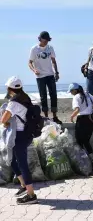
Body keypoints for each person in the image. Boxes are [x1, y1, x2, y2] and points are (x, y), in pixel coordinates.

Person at [0, 76, 37, 204]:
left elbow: (3, 119)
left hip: (20, 136)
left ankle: (31, 195)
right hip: (26, 134)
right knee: (12, 160)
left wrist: (6, 122)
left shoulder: (14, 102)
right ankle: (23, 185)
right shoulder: (25, 97)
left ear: (10, 88)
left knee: (22, 164)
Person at [28, 31, 62, 124]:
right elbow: (29, 62)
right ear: (40, 39)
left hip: (50, 75)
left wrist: (57, 72)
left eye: (48, 40)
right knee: (43, 96)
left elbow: (54, 61)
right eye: (45, 40)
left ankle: (54, 116)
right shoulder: (34, 49)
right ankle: (46, 117)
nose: (46, 42)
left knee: (53, 95)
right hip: (40, 76)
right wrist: (34, 70)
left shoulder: (50, 48)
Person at [68, 83, 93, 167]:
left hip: (82, 120)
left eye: (71, 91)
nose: (71, 93)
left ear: (75, 90)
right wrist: (91, 108)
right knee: (86, 141)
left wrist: (72, 116)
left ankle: (83, 161)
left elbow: (77, 109)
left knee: (79, 141)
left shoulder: (76, 97)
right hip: (91, 120)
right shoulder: (87, 94)